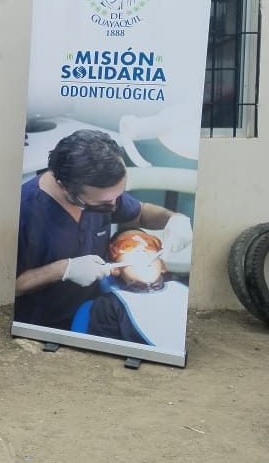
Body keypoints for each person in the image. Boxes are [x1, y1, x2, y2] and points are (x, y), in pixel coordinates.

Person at [14, 129, 192, 333]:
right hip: (44, 324)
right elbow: (8, 286)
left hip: (93, 307)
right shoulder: (23, 212)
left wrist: (174, 218)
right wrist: (63, 270)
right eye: (105, 202)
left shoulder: (104, 191)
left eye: (118, 196)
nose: (115, 205)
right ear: (64, 187)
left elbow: (140, 213)